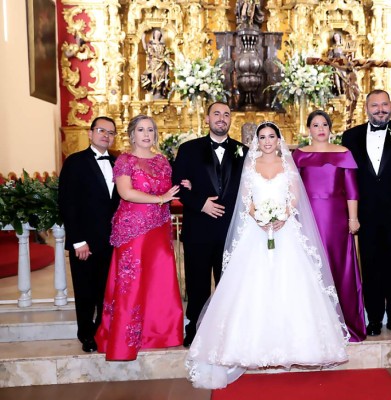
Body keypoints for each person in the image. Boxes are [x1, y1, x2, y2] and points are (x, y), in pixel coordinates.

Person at [185, 122, 349, 389]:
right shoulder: (250, 165)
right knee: (251, 286)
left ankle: (299, 346)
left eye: (272, 136)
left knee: (291, 284)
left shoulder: (288, 164)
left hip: (285, 230)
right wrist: (259, 217)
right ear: (256, 141)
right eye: (262, 137)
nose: (268, 141)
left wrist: (283, 215)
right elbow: (245, 197)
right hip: (255, 230)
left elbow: (295, 196)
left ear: (278, 139)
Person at [95, 115, 184, 360]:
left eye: (151, 130)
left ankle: (159, 334)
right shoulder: (125, 160)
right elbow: (126, 192)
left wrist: (183, 185)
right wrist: (160, 199)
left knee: (158, 280)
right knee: (131, 283)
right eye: (141, 130)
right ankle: (124, 341)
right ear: (132, 134)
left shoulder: (162, 160)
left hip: (158, 229)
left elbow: (169, 189)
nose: (146, 134)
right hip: (133, 230)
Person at [342, 89, 391, 338]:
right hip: (365, 215)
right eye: (375, 105)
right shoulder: (351, 136)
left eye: (384, 104)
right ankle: (374, 319)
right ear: (366, 108)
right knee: (371, 268)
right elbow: (346, 177)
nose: (380, 109)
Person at [172, 102, 248, 348]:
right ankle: (194, 329)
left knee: (229, 283)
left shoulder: (243, 151)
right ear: (207, 119)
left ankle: (229, 332)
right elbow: (178, 186)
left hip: (230, 229)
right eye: (217, 113)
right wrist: (200, 202)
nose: (221, 118)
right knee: (197, 284)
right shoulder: (189, 149)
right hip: (199, 228)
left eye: (226, 115)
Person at [293, 110, 366, 342]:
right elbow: (292, 190)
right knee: (310, 270)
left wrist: (353, 218)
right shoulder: (299, 155)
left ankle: (344, 325)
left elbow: (352, 190)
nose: (320, 128)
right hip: (308, 218)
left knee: (339, 269)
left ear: (330, 128)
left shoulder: (343, 153)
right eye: (315, 125)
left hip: (337, 220)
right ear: (309, 129)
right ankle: (313, 330)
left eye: (324, 124)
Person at [58, 117, 120, 353]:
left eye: (111, 132)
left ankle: (101, 331)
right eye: (101, 130)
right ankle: (86, 334)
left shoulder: (118, 163)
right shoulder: (75, 162)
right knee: (85, 291)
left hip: (112, 241)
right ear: (91, 133)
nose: (106, 135)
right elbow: (68, 204)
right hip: (85, 242)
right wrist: (78, 240)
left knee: (106, 291)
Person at [141, 28, 169, 98]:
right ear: (154, 35)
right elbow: (146, 48)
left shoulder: (162, 45)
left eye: (159, 34)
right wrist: (143, 39)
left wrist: (165, 58)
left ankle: (160, 92)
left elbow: (166, 53)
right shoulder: (150, 43)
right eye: (156, 34)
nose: (157, 35)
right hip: (153, 63)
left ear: (160, 36)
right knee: (154, 76)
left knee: (161, 77)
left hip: (161, 64)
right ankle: (153, 91)